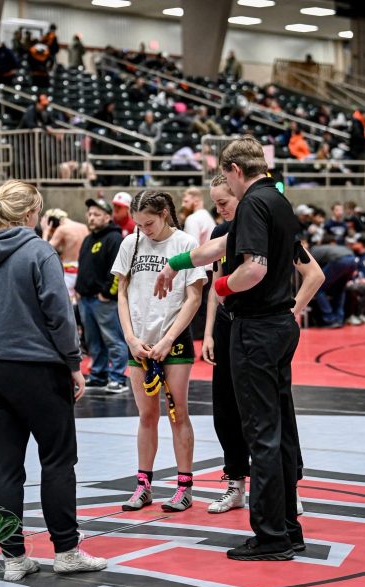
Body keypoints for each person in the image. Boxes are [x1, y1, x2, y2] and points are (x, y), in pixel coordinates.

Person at [154, 135, 313, 561]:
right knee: (278, 430)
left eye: (225, 178)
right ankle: (287, 529)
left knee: (260, 432)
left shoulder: (254, 204)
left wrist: (222, 288)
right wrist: (176, 263)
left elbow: (253, 268)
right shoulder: (277, 200)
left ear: (234, 172)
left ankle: (270, 537)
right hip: (279, 325)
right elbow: (221, 246)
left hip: (257, 327)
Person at [0, 180, 107, 581]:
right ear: (29, 214)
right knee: (57, 459)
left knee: (3, 466)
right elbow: (58, 313)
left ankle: (13, 559)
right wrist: (73, 363)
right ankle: (67, 551)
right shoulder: (38, 252)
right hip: (36, 368)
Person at [202, 175, 324, 515]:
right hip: (231, 328)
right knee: (227, 408)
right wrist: (210, 332)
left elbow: (314, 275)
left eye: (224, 202)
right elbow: (215, 287)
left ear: (241, 196)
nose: (220, 209)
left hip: (260, 327)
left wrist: (293, 309)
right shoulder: (220, 234)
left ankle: (288, 487)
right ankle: (235, 483)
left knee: (273, 412)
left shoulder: (267, 227)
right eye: (215, 204)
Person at [111, 190, 206, 512]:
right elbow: (121, 294)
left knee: (178, 413)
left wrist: (168, 339)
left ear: (164, 213)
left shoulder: (185, 244)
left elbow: (194, 298)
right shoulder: (130, 243)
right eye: (139, 224)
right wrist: (129, 337)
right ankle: (143, 485)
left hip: (173, 341)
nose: (144, 230)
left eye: (149, 223)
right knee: (146, 415)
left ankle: (184, 486)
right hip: (139, 342)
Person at [75, 198, 129, 394]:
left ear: (108, 217)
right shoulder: (89, 239)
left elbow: (118, 270)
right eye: (89, 214)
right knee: (93, 341)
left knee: (113, 339)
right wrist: (79, 291)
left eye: (96, 214)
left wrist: (107, 293)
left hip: (103, 300)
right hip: (86, 299)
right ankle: (98, 375)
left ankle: (118, 377)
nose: (91, 218)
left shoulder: (114, 239)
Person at [181, 187, 215, 339]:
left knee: (195, 309)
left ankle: (197, 344)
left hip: (200, 270)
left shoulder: (193, 219)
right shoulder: (207, 216)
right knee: (206, 308)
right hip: (211, 268)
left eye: (186, 200)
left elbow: (191, 249)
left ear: (196, 200)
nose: (183, 204)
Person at [41, 208, 89, 303]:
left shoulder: (62, 229)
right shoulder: (83, 227)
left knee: (65, 302)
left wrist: (45, 231)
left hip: (69, 271)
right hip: (83, 269)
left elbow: (44, 250)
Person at [311, 234, 357, 327]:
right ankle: (339, 319)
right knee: (340, 290)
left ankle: (330, 319)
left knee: (317, 288)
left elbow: (313, 270)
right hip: (352, 260)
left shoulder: (314, 249)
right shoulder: (335, 247)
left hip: (339, 261)